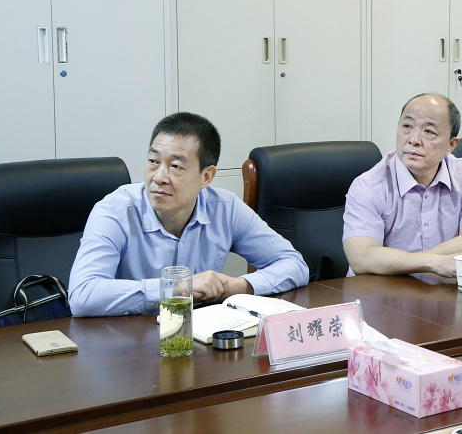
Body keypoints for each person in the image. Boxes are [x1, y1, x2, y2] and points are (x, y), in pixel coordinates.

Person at [69, 112, 308, 317]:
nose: (159, 177)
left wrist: (238, 285)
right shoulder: (115, 211)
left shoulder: (225, 208)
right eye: (153, 161)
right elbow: (83, 295)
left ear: (206, 176)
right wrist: (177, 289)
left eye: (175, 167)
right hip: (129, 341)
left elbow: (294, 264)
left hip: (200, 337)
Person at [342, 93, 462, 277]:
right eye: (407, 126)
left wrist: (409, 263)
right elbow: (361, 257)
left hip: (440, 290)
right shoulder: (369, 186)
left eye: (429, 131)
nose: (413, 139)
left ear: (451, 144)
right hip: (379, 291)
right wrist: (432, 263)